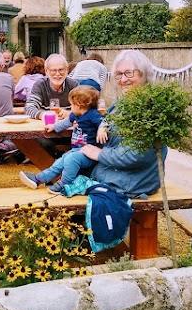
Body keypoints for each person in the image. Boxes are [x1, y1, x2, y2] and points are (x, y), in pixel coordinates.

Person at [65, 49, 168, 199]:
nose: (123, 79)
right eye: (119, 74)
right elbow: (105, 125)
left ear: (143, 73)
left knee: (68, 180)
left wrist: (100, 153)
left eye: (129, 73)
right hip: (115, 174)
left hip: (131, 182)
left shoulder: (148, 109)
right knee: (67, 163)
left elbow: (136, 155)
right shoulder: (122, 103)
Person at [20, 85, 107, 194]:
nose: (70, 107)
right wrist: (54, 127)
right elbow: (65, 123)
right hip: (76, 150)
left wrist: (102, 128)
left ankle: (66, 183)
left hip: (88, 153)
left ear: (78, 105)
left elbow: (105, 120)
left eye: (71, 104)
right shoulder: (76, 115)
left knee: (71, 159)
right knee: (59, 162)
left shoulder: (93, 115)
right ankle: (38, 179)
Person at [24, 54, 78, 158]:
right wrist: (42, 114)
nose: (57, 74)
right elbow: (29, 107)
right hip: (46, 132)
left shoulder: (74, 85)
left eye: (61, 70)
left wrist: (71, 113)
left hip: (69, 132)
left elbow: (84, 109)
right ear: (46, 71)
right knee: (41, 143)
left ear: (67, 70)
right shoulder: (40, 85)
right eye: (53, 70)